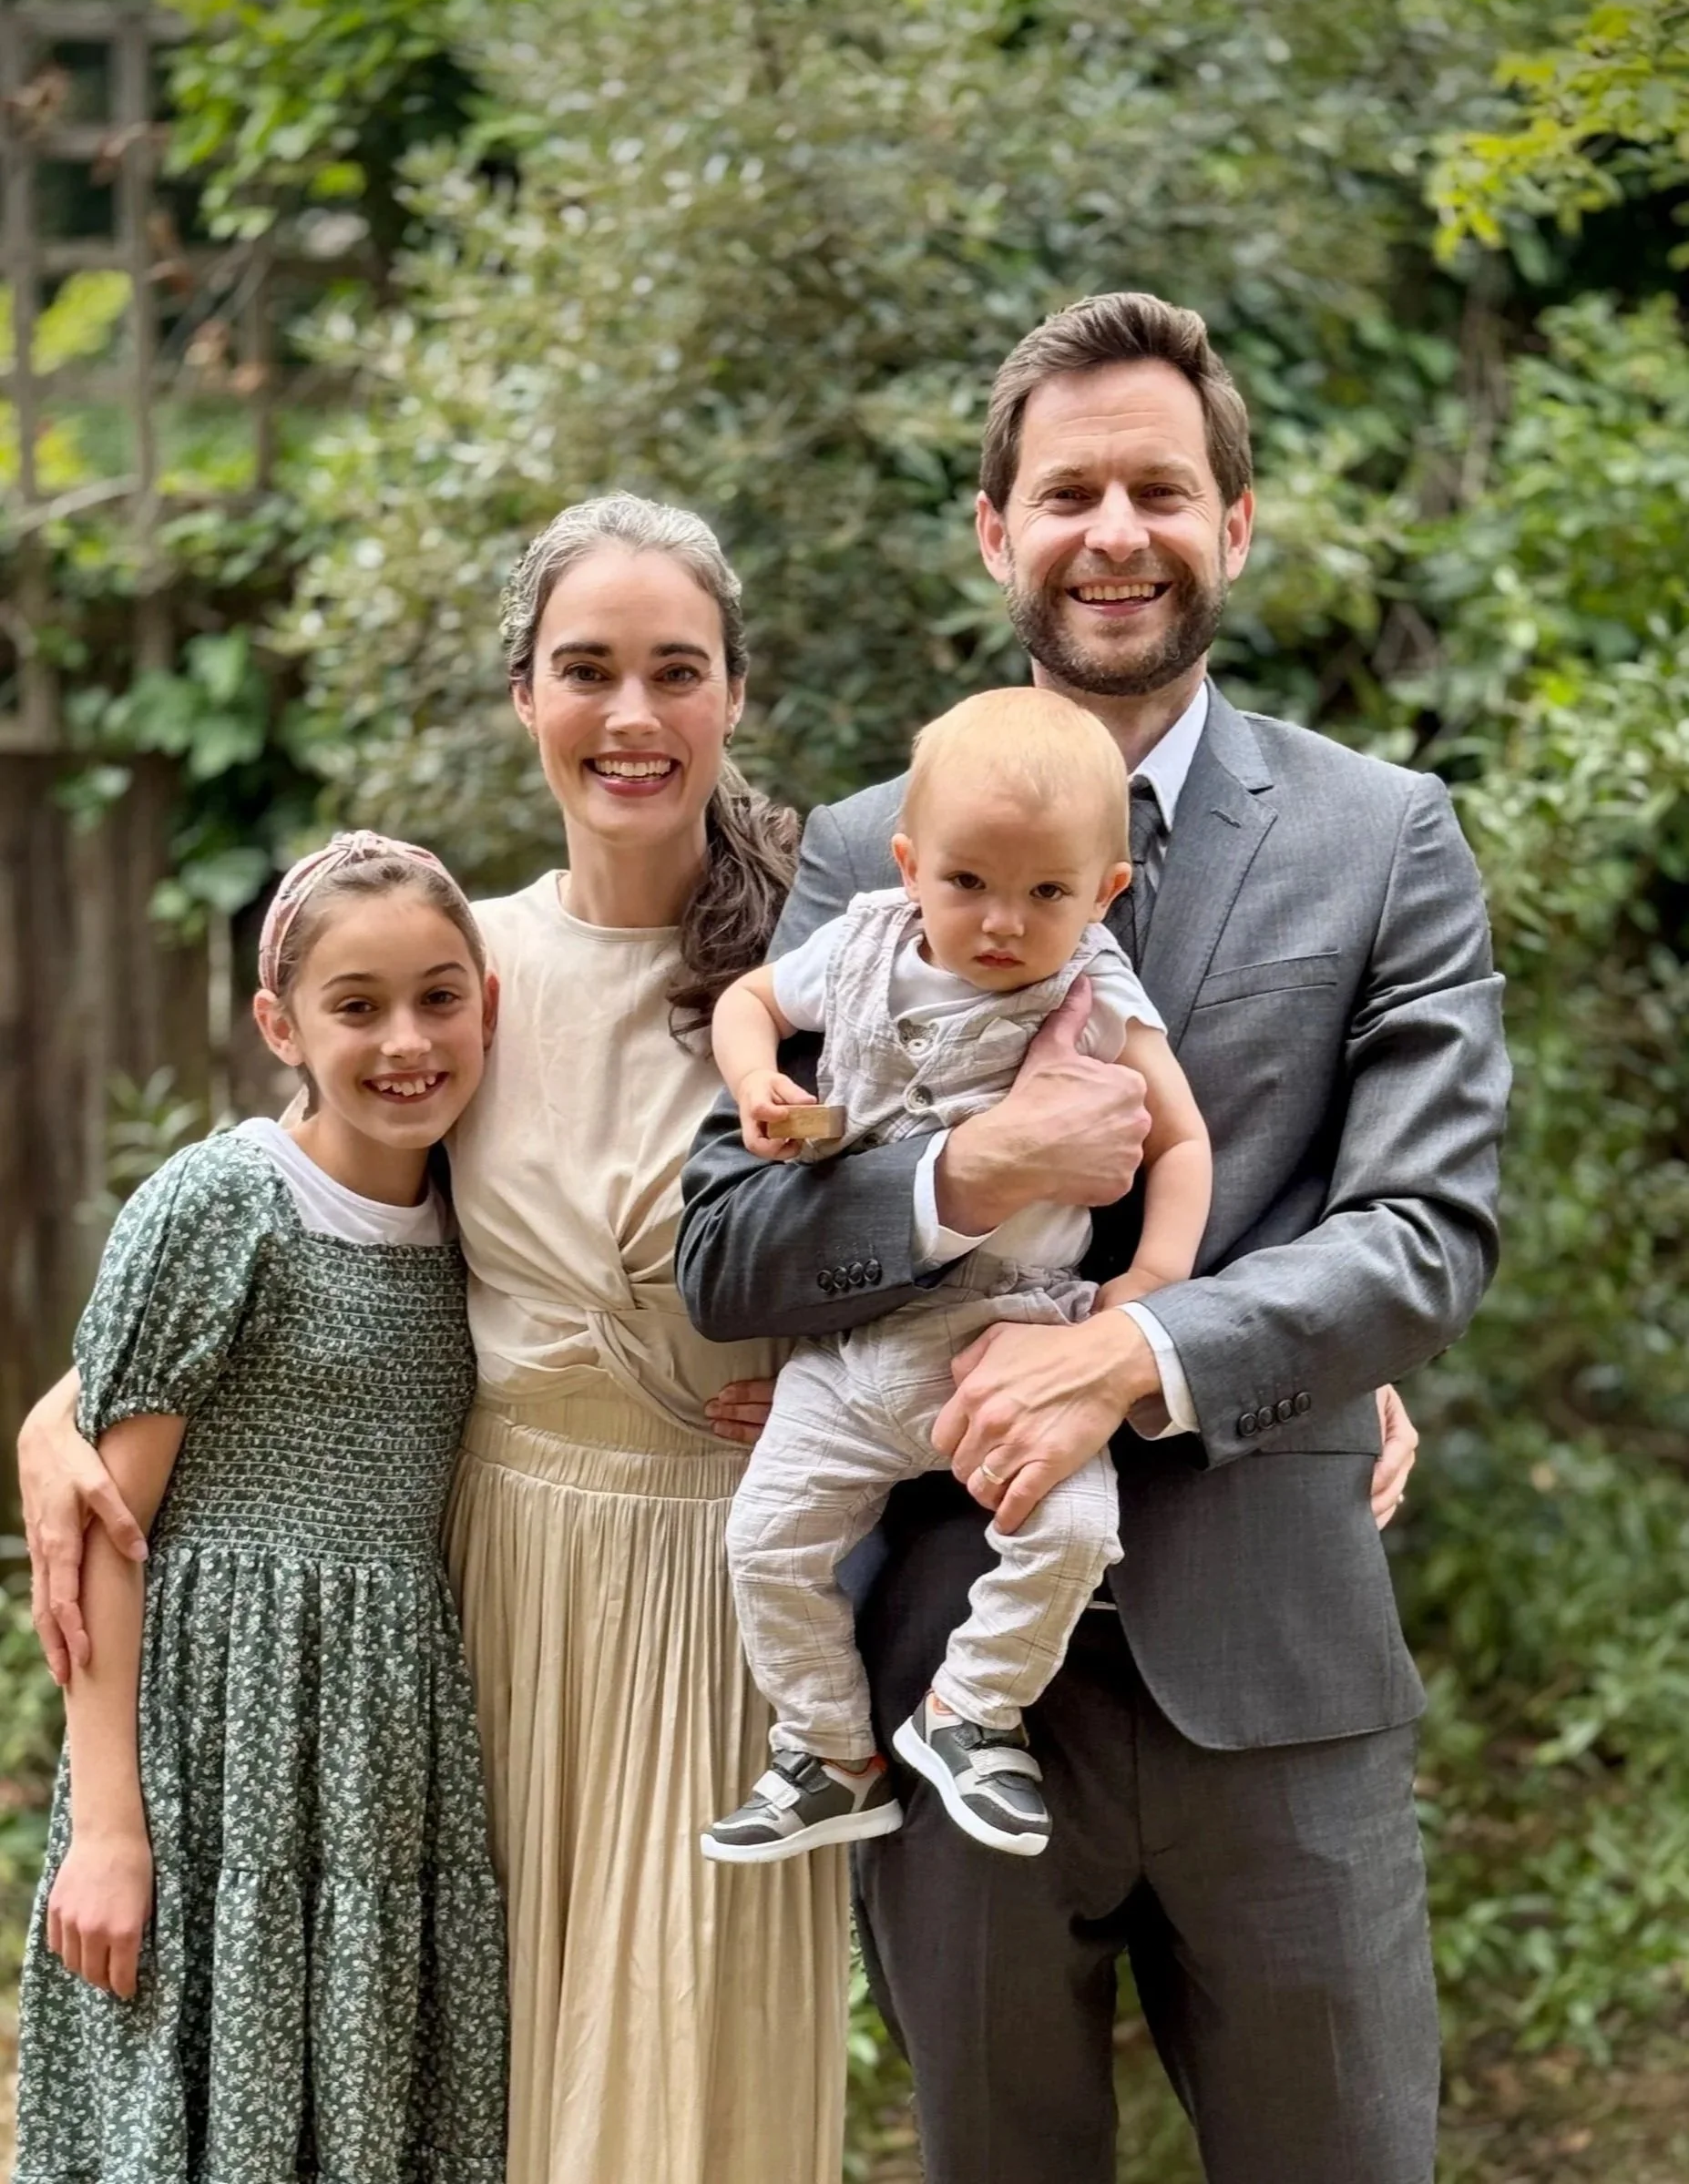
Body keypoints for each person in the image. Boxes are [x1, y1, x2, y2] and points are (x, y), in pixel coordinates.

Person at [677, 292, 1510, 2184]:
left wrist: (1131, 1352)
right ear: (996, 533)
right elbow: (720, 1248)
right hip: (945, 1668)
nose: (1110, 531)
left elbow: (1427, 1230)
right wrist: (964, 1175)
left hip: (1277, 1687)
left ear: (1236, 520)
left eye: (1157, 486)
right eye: (1066, 493)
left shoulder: (1385, 840)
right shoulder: (869, 852)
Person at [17, 495, 851, 2184]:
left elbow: (976, 1229)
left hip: (728, 1589)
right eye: (587, 670)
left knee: (689, 2084)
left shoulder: (821, 972)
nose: (632, 716)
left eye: (674, 671)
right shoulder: (468, 971)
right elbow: (277, 1251)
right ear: (523, 699)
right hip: (484, 1604)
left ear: (733, 697)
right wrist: (54, 1425)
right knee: (472, 2089)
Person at [13, 832, 507, 2184]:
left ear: (488, 1002)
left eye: (437, 997)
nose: (405, 1041)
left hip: (384, 1752)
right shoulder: (225, 1200)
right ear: (280, 1023)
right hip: (206, 1739)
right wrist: (111, 1822)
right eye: (357, 1007)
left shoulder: (486, 1211)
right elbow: (106, 1531)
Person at [702, 689, 1210, 1864]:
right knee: (763, 1544)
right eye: (968, 882)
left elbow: (1180, 1138)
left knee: (1073, 1533)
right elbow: (750, 999)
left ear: (1104, 894)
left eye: (1045, 893)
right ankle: (827, 1752)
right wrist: (756, 1083)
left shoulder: (1092, 992)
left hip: (1017, 1344)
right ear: (909, 863)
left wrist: (1153, 1277)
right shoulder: (864, 939)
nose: (1000, 923)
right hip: (855, 1346)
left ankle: (970, 1712)